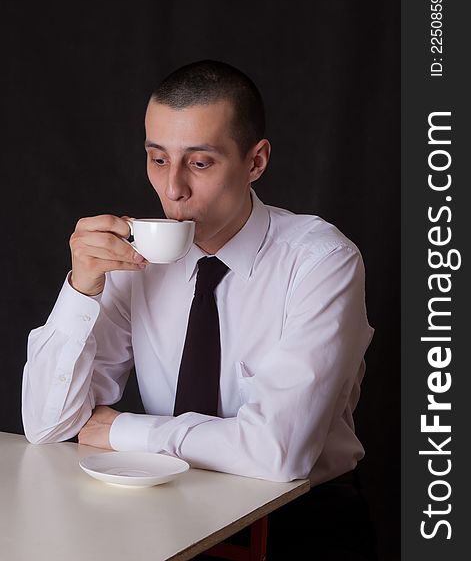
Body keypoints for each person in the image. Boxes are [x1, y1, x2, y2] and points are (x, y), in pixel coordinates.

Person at [22, 60, 377, 559]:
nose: (173, 190)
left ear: (255, 162)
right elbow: (46, 425)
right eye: (158, 159)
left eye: (201, 163)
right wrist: (81, 289)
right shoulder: (136, 259)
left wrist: (120, 428)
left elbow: (278, 455)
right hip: (169, 511)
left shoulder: (321, 261)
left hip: (300, 522)